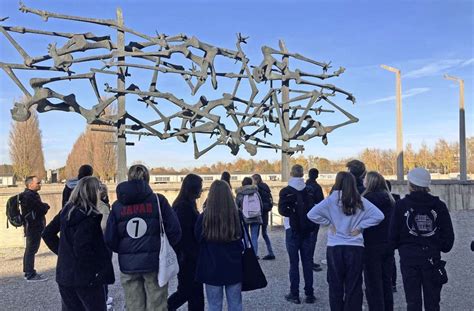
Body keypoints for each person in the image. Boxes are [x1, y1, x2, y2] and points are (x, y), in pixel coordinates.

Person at [105, 164, 182, 311]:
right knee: (157, 305)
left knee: (134, 306)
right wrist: (163, 247)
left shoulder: (117, 206)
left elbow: (109, 238)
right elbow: (175, 230)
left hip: (129, 266)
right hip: (155, 264)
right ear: (147, 179)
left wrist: (125, 250)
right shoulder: (159, 201)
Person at [307, 171, 384, 311]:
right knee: (354, 285)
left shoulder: (331, 200)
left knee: (335, 285)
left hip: (335, 246)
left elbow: (311, 214)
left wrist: (329, 222)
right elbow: (379, 216)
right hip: (355, 246)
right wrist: (360, 227)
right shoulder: (359, 200)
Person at [42, 176, 115, 311]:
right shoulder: (90, 217)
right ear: (94, 192)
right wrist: (96, 268)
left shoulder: (66, 211)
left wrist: (64, 253)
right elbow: (82, 248)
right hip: (86, 278)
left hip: (65, 274)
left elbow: (47, 233)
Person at [389, 168, 454, 311]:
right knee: (433, 303)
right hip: (431, 259)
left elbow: (392, 237)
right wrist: (435, 245)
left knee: (412, 303)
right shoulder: (439, 206)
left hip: (409, 260)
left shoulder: (401, 206)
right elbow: (448, 241)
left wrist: (404, 247)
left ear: (410, 184)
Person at [195, 180, 243, 311]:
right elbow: (242, 236)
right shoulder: (236, 215)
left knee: (214, 305)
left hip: (211, 266)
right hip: (233, 266)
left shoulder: (204, 217)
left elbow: (197, 237)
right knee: (236, 304)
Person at [278, 165, 317, 304]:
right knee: (307, 262)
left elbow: (282, 210)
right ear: (302, 174)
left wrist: (293, 213)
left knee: (293, 263)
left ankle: (294, 294)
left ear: (291, 174)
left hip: (292, 230)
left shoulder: (286, 191)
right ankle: (309, 294)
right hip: (307, 230)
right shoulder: (309, 190)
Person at [168, 174, 205, 311]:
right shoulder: (184, 207)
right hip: (188, 258)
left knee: (191, 293)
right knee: (188, 292)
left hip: (187, 257)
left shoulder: (183, 204)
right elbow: (185, 237)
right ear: (193, 189)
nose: (202, 190)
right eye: (200, 187)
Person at [362, 171, 396, 311]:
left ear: (369, 182)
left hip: (371, 244)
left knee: (372, 283)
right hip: (387, 244)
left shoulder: (366, 200)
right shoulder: (390, 199)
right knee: (386, 281)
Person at [20, 175, 50, 282]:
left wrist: (43, 206)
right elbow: (41, 208)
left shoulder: (31, 195)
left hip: (34, 226)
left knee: (31, 249)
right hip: (32, 227)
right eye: (37, 183)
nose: (39, 184)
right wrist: (45, 206)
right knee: (31, 250)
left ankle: (29, 272)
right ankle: (30, 274)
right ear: (30, 184)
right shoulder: (28, 196)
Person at [235, 177, 263, 258]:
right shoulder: (256, 192)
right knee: (254, 237)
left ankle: (246, 254)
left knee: (245, 236)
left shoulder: (240, 193)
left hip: (245, 218)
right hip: (256, 216)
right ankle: (254, 255)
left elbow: (236, 206)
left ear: (242, 183)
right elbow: (260, 204)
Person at [97, 183, 114, 309]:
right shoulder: (103, 207)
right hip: (102, 243)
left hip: (98, 243)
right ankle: (103, 299)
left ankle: (103, 297)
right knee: (103, 271)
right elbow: (104, 226)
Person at [251, 174, 275, 260]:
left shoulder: (256, 188)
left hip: (258, 213)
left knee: (255, 235)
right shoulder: (266, 187)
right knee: (264, 233)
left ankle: (254, 253)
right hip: (265, 213)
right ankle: (271, 252)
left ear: (255, 180)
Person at [305, 168, 325, 272]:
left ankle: (307, 261)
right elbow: (321, 203)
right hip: (314, 218)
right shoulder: (317, 187)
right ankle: (310, 262)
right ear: (317, 176)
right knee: (312, 241)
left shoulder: (304, 186)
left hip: (304, 217)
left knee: (306, 241)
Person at [386, 180, 401, 293]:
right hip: (392, 232)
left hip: (381, 233)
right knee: (391, 259)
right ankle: (392, 284)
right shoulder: (396, 198)